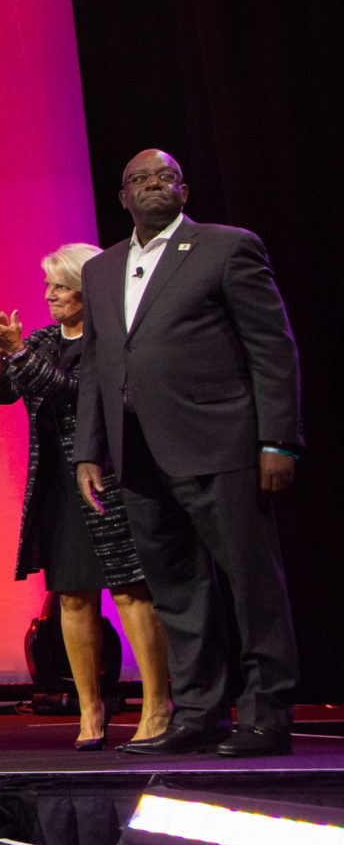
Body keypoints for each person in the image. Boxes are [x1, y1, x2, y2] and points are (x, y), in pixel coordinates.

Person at [73, 149, 304, 758]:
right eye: (140, 179)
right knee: (177, 588)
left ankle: (265, 713)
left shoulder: (226, 248)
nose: (154, 185)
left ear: (184, 189)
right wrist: (89, 450)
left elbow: (271, 350)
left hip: (220, 443)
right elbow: (98, 365)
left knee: (249, 582)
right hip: (138, 452)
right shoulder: (102, 269)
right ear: (122, 196)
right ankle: (199, 711)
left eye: (165, 177)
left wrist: (277, 438)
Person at [0, 244, 172, 749]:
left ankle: (158, 704)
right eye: (48, 287)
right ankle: (91, 709)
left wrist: (18, 355)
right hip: (59, 486)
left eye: (60, 287)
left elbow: (74, 391)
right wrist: (1, 359)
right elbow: (1, 394)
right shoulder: (40, 340)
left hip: (110, 478)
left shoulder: (110, 340)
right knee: (73, 598)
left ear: (88, 292)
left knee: (130, 591)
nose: (50, 295)